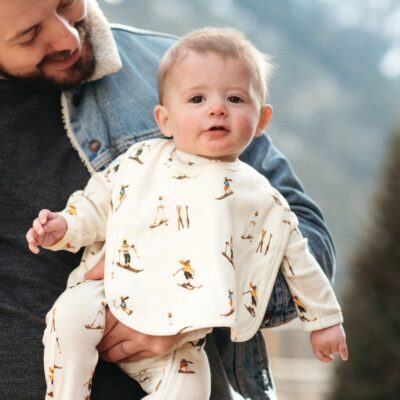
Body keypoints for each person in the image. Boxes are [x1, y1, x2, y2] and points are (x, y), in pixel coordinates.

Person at [0, 0, 336, 399]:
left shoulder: (189, 70)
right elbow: (88, 211)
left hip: (180, 360)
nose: (66, 36)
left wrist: (186, 301)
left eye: (67, 4)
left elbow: (308, 242)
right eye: (29, 34)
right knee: (72, 320)